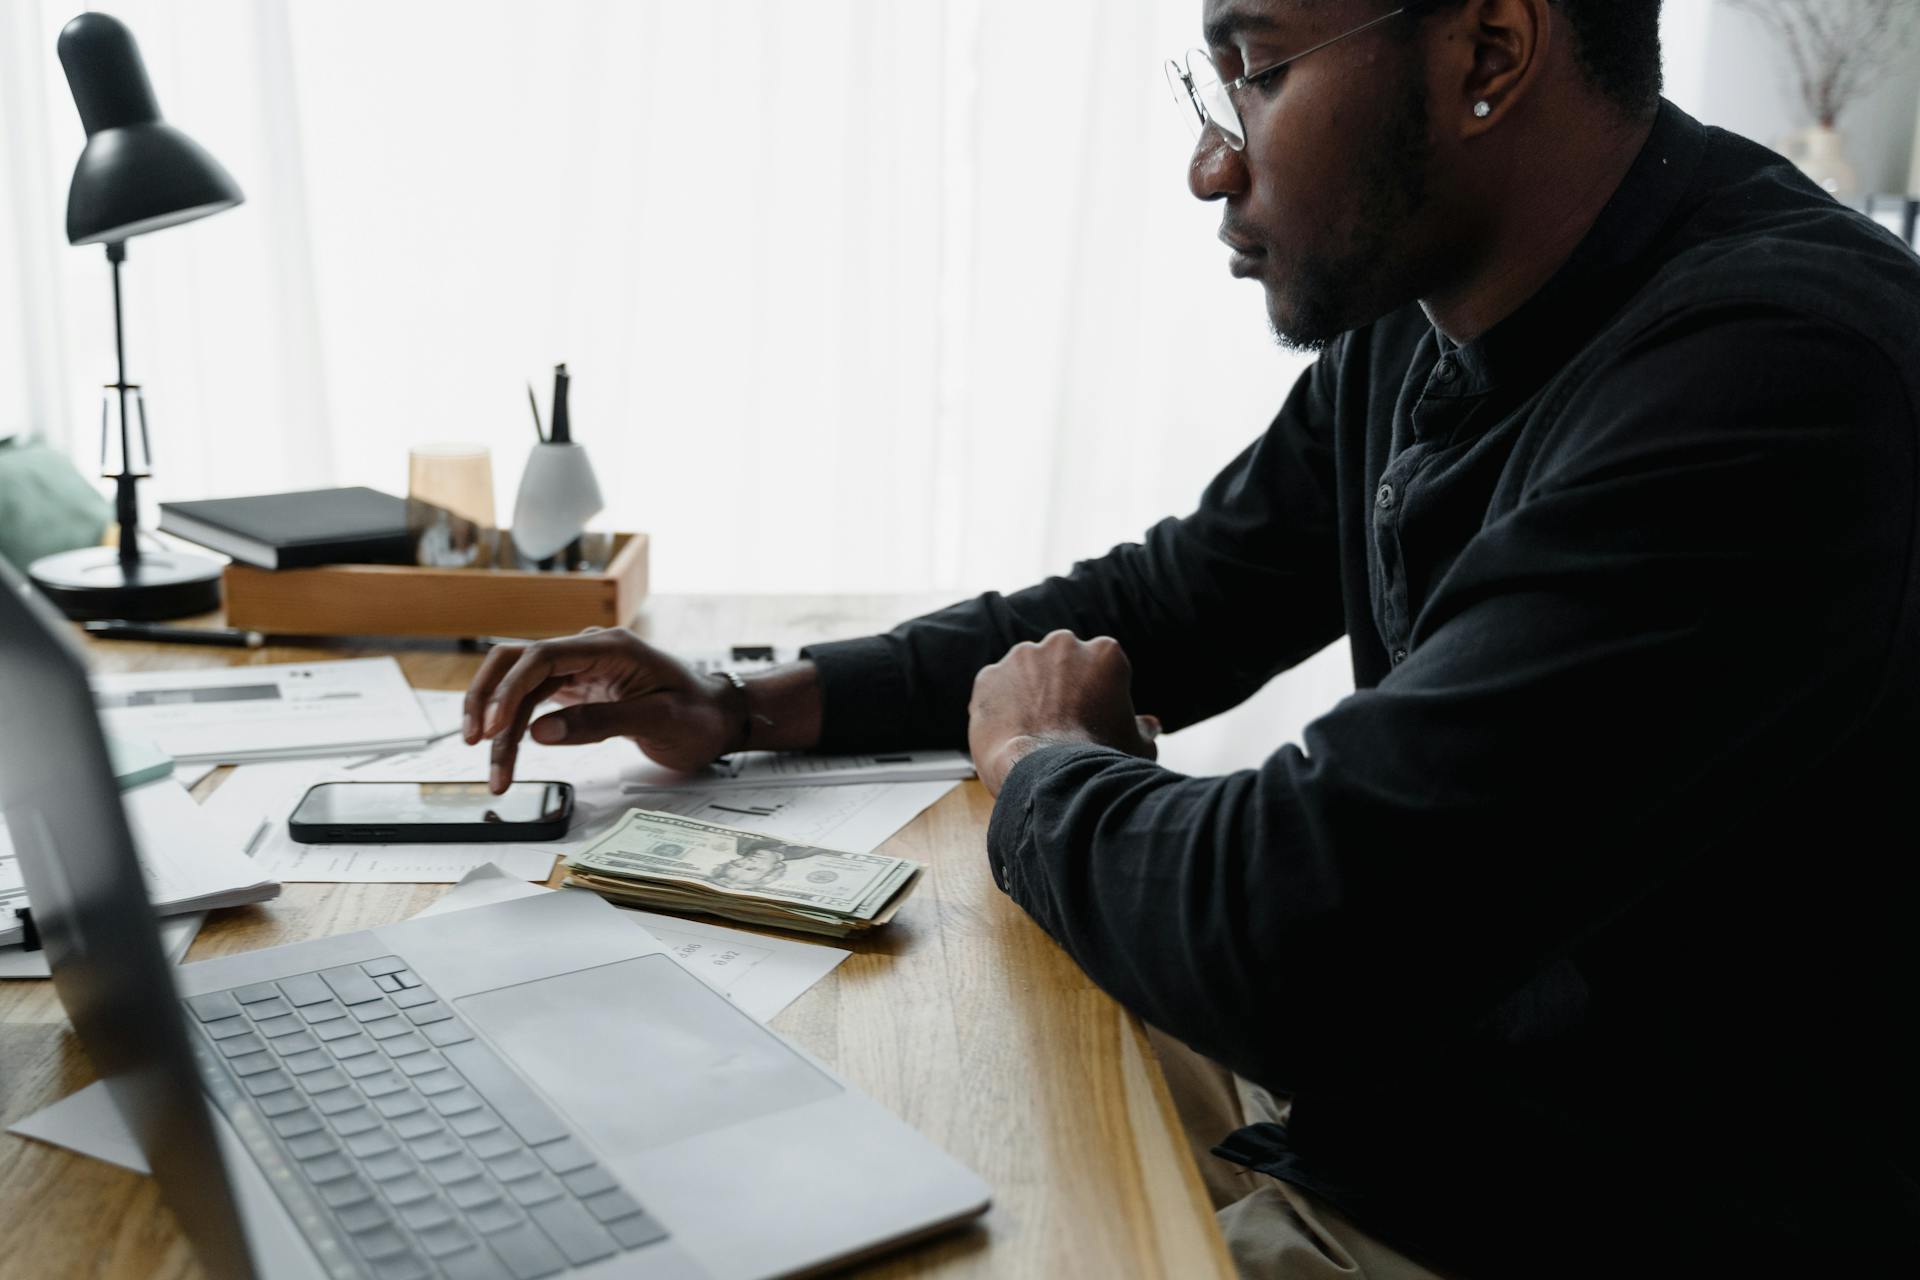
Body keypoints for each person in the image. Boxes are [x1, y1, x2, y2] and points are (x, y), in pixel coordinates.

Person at [466, 0, 1920, 1274]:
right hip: (1411, 1117)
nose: (1211, 161)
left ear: (1489, 51)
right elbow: (1184, 594)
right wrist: (747, 704)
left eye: (1258, 68)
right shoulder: (1436, 303)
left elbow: (1298, 931)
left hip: (1569, 1221)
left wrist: (1038, 763)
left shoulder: (1777, 374)